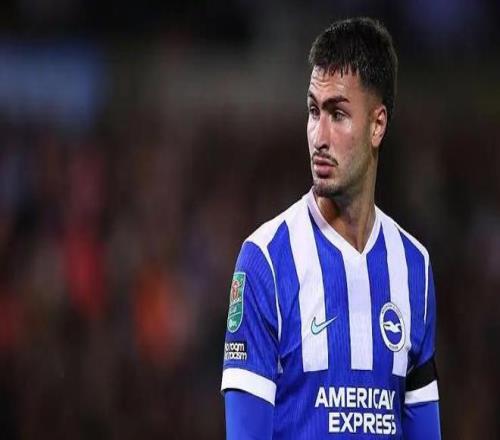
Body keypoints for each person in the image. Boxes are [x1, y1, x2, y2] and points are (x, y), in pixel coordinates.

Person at [221, 17, 441, 439]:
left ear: (377, 125)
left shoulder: (414, 266)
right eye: (313, 111)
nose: (319, 136)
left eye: (338, 114)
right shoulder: (266, 261)